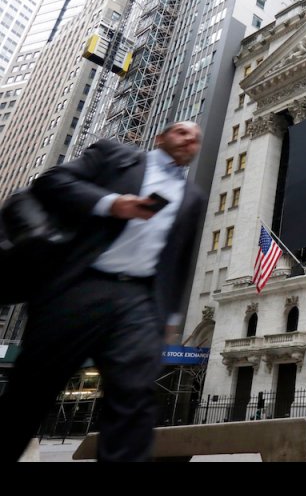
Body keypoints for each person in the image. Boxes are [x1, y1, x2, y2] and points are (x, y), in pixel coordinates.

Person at [0, 121, 205, 462]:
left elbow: (179, 259)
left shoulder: (193, 197)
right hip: (81, 283)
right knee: (32, 390)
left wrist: (169, 318)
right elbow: (51, 181)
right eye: (182, 132)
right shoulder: (115, 156)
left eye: (196, 139)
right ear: (160, 136)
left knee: (134, 395)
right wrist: (111, 203)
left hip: (137, 300)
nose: (189, 139)